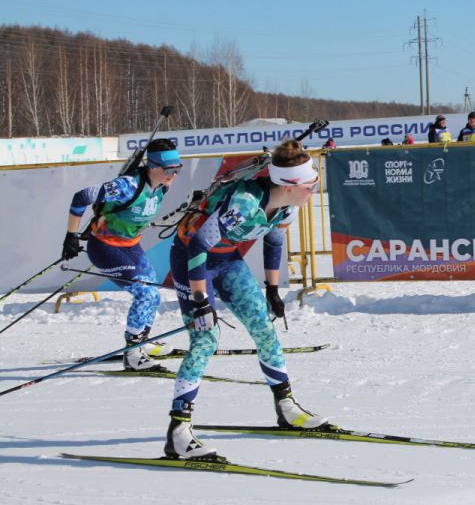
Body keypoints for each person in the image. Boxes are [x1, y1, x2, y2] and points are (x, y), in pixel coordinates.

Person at [164, 138, 327, 459]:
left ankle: (286, 406)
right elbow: (198, 245)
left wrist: (272, 289)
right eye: (312, 185)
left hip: (226, 261)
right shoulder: (244, 204)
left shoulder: (287, 207)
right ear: (290, 185)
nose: (315, 191)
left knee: (264, 329)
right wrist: (200, 300)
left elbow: (274, 242)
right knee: (205, 340)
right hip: (191, 260)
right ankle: (178, 432)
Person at [63, 138, 182, 371]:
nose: (173, 175)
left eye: (178, 169)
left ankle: (143, 342)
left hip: (130, 245)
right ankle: (132, 353)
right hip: (105, 248)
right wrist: (71, 235)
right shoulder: (126, 185)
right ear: (152, 166)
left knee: (153, 295)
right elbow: (82, 196)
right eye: (169, 170)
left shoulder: (163, 184)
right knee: (144, 294)